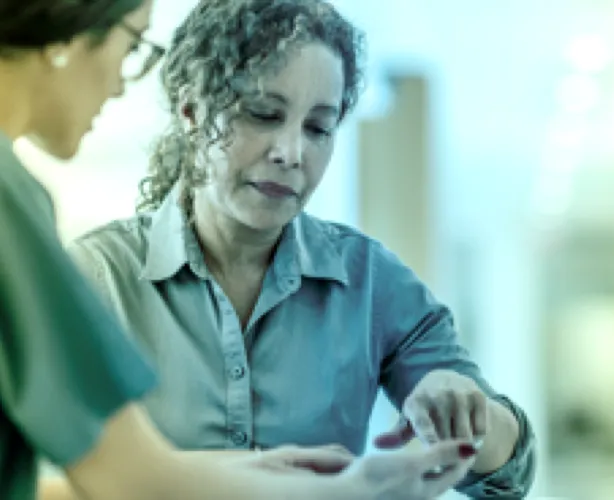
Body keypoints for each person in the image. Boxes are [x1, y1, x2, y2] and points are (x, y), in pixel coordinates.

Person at [0, 1, 481, 499]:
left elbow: (126, 476)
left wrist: (460, 414)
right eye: (263, 114)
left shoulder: (371, 279)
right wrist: (340, 490)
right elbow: (123, 476)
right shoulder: (69, 250)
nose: (290, 153)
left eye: (318, 128)